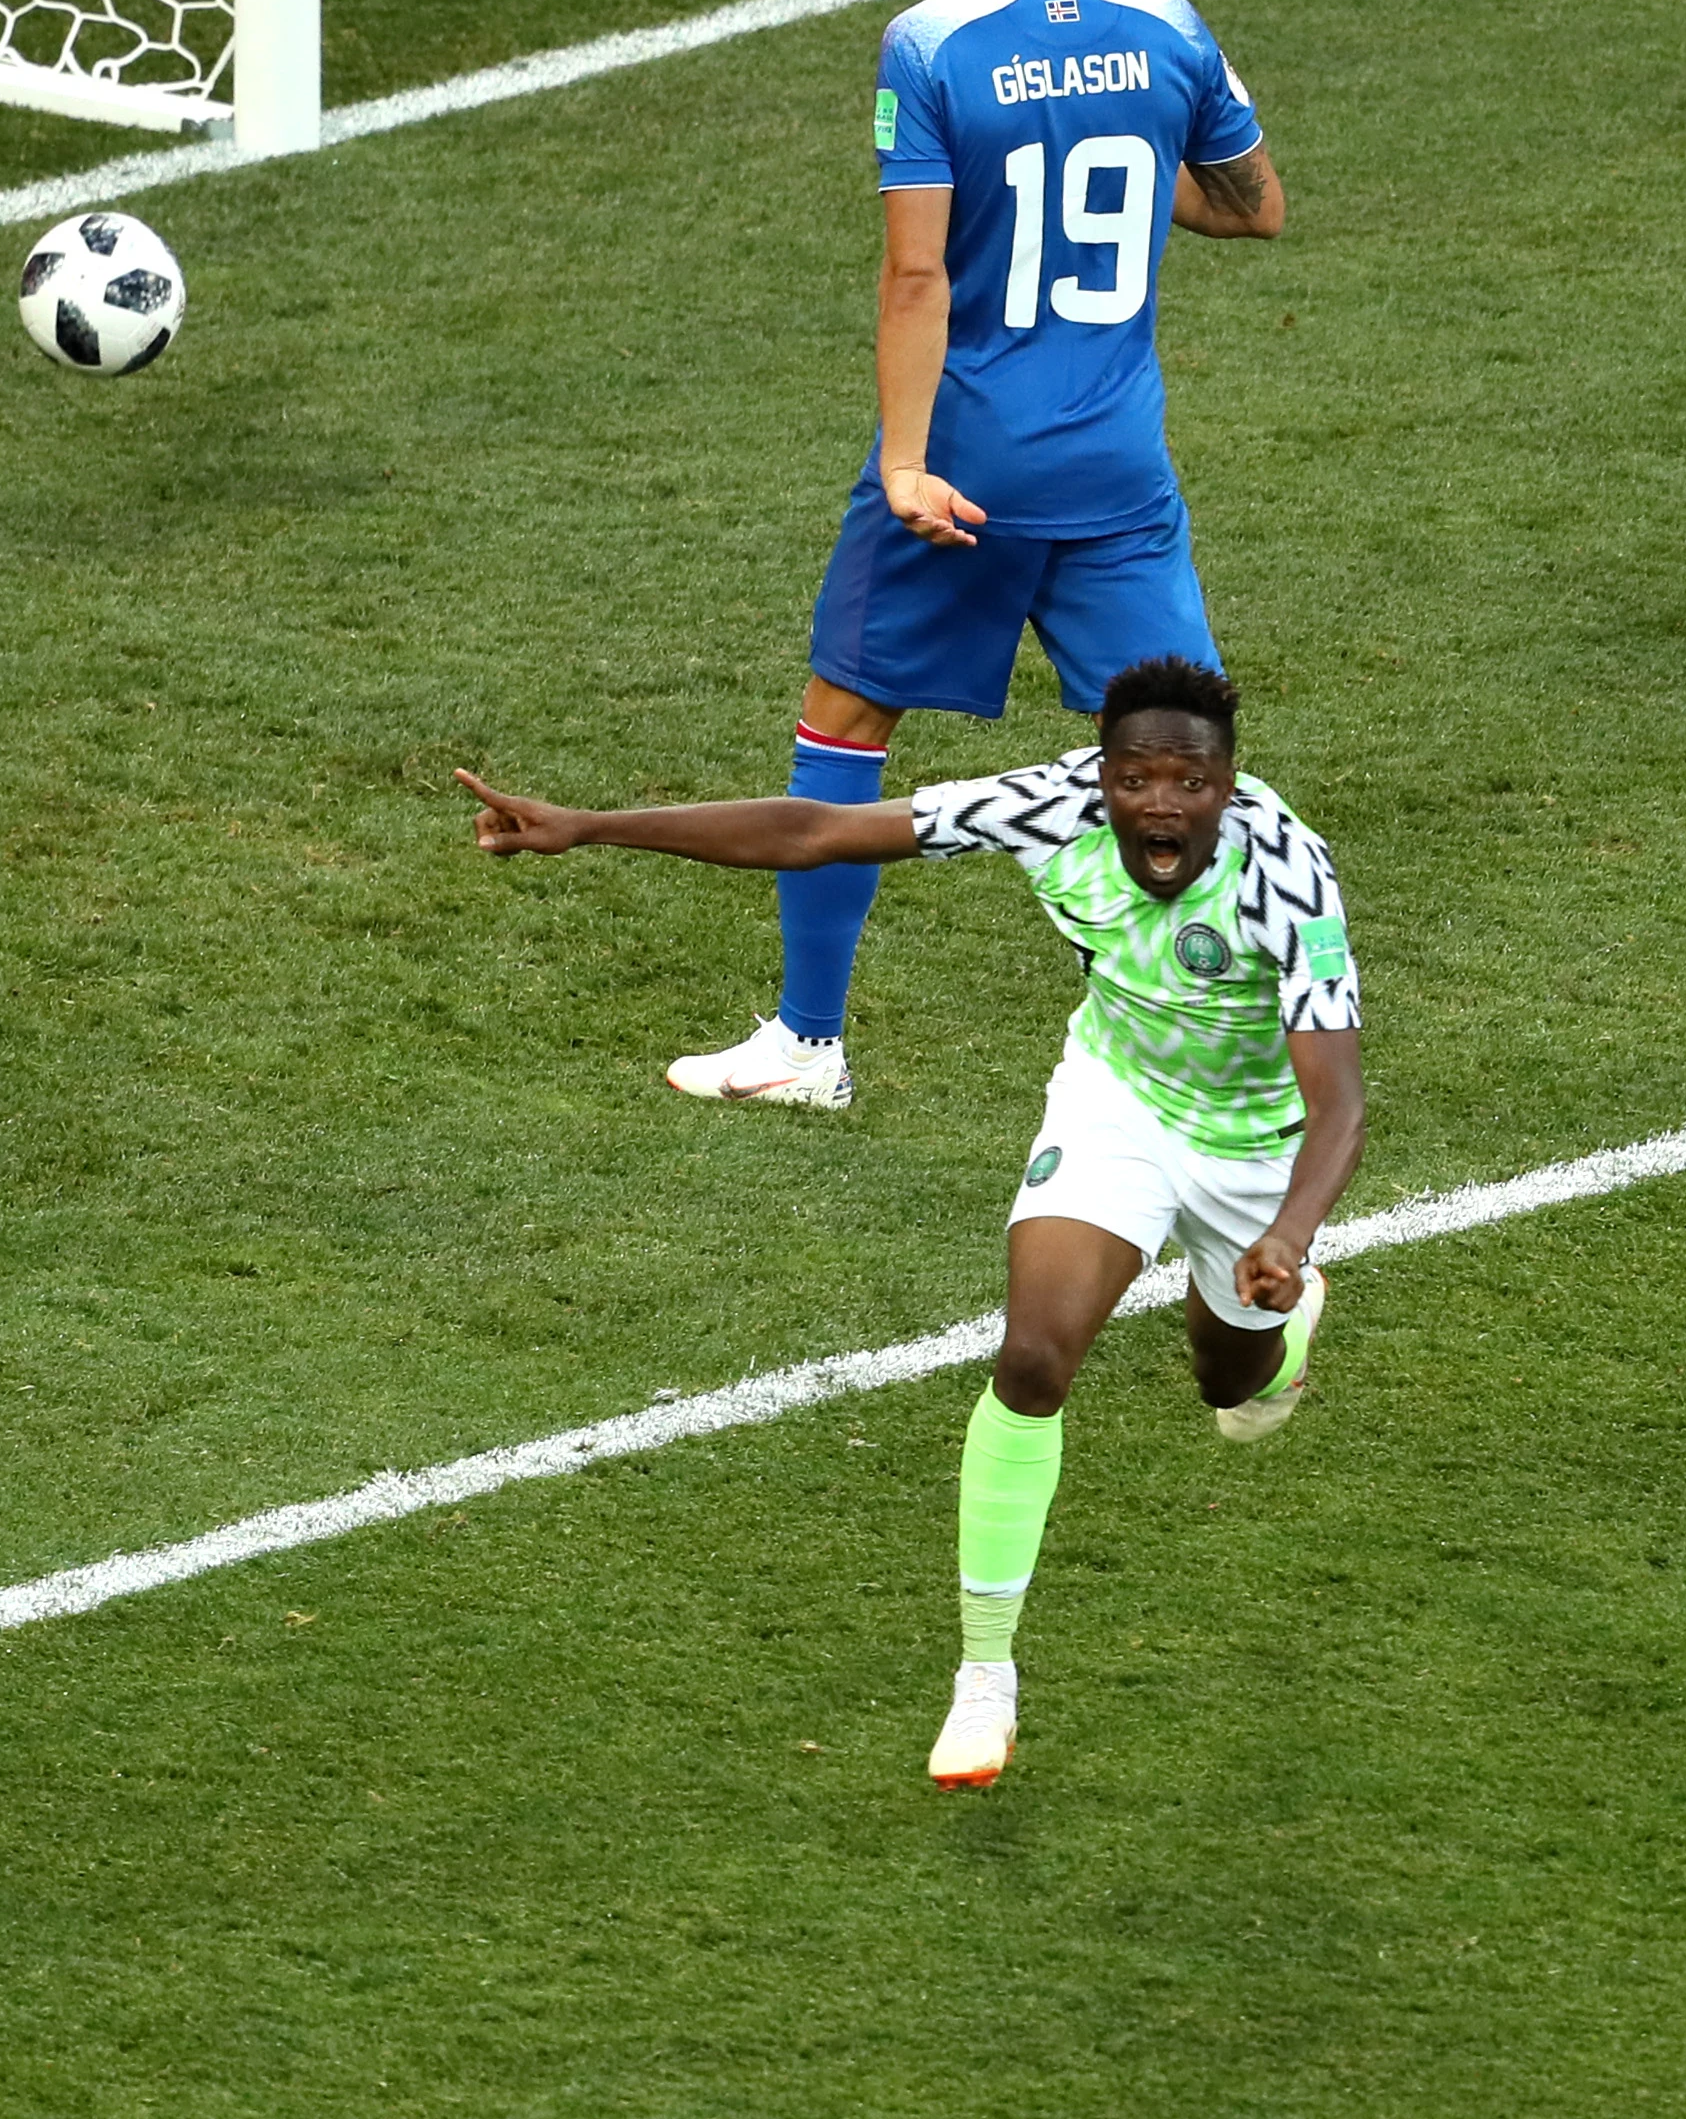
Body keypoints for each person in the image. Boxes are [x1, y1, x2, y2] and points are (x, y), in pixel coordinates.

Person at [461, 656, 1361, 1789]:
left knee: (1230, 1385)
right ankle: (985, 1678)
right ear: (1104, 773)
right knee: (1032, 1357)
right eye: (1136, 777)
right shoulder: (1048, 802)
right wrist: (589, 826)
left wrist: (1286, 1233)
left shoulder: (1285, 869)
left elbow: (1340, 1097)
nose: (1160, 804)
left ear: (1227, 784)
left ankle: (1275, 1341)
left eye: (1189, 781)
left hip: (1252, 1145)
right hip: (1116, 1104)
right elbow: (811, 831)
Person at [666, 0, 1285, 1109]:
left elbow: (913, 277)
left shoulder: (931, 41)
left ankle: (808, 1045)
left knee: (846, 718)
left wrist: (901, 463)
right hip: (1119, 466)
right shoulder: (1171, 25)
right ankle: (1214, 1053)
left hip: (972, 465)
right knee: (1178, 757)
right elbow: (1254, 206)